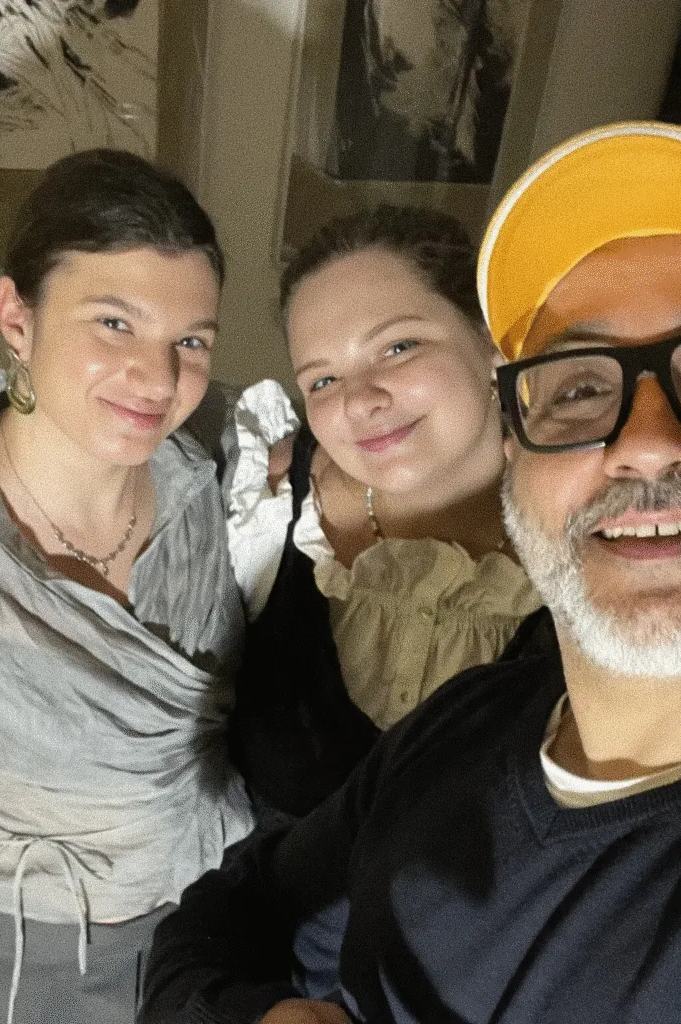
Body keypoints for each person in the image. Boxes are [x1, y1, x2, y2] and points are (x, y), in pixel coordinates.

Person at [139, 121, 681, 1024]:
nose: (644, 443)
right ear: (520, 456)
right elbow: (220, 925)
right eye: (578, 389)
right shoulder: (465, 725)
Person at [0, 148, 252, 1024]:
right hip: (17, 961)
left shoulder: (221, 465)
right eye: (114, 323)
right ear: (16, 318)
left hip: (212, 931)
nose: (159, 378)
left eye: (190, 341)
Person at [225, 203, 540, 816]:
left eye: (398, 347)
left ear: (492, 343)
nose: (359, 402)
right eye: (322, 381)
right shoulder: (267, 507)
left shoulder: (601, 520)